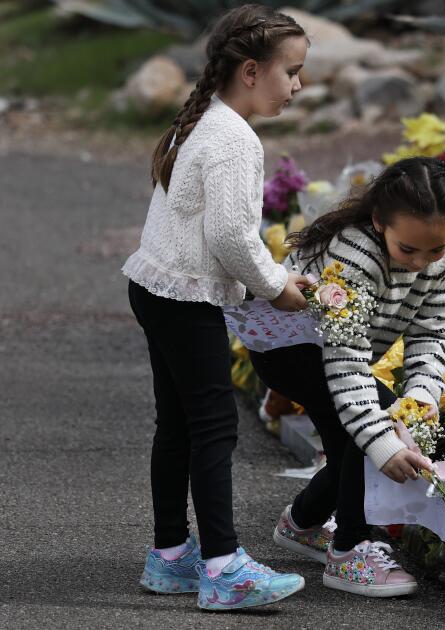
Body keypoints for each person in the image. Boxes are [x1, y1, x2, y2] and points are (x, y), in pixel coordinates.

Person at [123, 4, 310, 611]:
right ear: (251, 72)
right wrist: (277, 285)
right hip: (186, 296)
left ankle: (170, 557)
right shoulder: (234, 138)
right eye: (292, 72)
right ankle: (225, 568)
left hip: (157, 286)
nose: (298, 86)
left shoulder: (201, 117)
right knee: (213, 427)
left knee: (177, 424)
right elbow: (233, 236)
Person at [251, 156, 445, 597]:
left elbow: (432, 328)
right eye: (407, 250)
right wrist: (385, 441)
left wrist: (422, 398)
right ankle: (350, 549)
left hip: (344, 351)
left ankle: (303, 524)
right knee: (367, 433)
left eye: (436, 250)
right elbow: (347, 364)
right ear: (378, 221)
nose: (421, 263)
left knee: (367, 433)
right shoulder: (355, 253)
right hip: (291, 350)